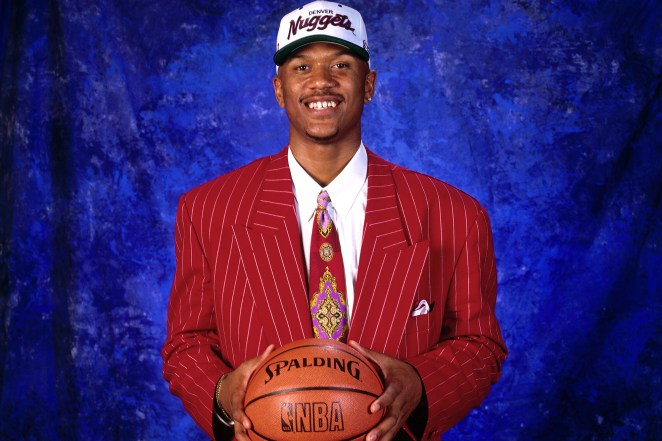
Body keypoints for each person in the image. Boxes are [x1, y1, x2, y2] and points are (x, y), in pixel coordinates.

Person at [162, 2, 507, 440]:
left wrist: (419, 384)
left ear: (369, 85)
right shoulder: (208, 210)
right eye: (301, 66)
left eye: (341, 64)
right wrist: (222, 391)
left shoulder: (454, 214)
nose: (320, 81)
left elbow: (479, 346)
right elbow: (187, 342)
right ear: (278, 90)